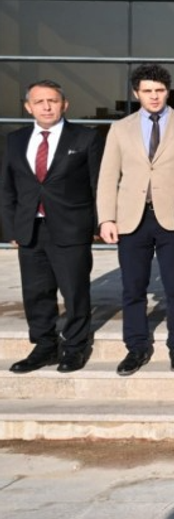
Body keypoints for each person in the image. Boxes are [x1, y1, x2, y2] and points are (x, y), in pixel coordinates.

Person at [97, 64, 174, 376]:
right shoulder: (120, 129)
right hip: (132, 219)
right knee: (133, 288)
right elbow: (108, 176)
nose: (154, 96)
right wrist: (106, 219)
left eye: (159, 91)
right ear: (136, 93)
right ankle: (136, 347)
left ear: (168, 92)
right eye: (147, 91)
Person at [2, 80, 103, 374]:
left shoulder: (86, 138)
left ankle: (75, 347)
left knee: (75, 292)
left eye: (53, 101)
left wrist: (98, 223)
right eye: (39, 102)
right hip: (30, 229)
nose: (46, 107)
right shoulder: (15, 140)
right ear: (28, 107)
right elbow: (6, 188)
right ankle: (44, 346)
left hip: (72, 227)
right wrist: (12, 229)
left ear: (64, 104)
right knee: (36, 293)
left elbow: (97, 184)